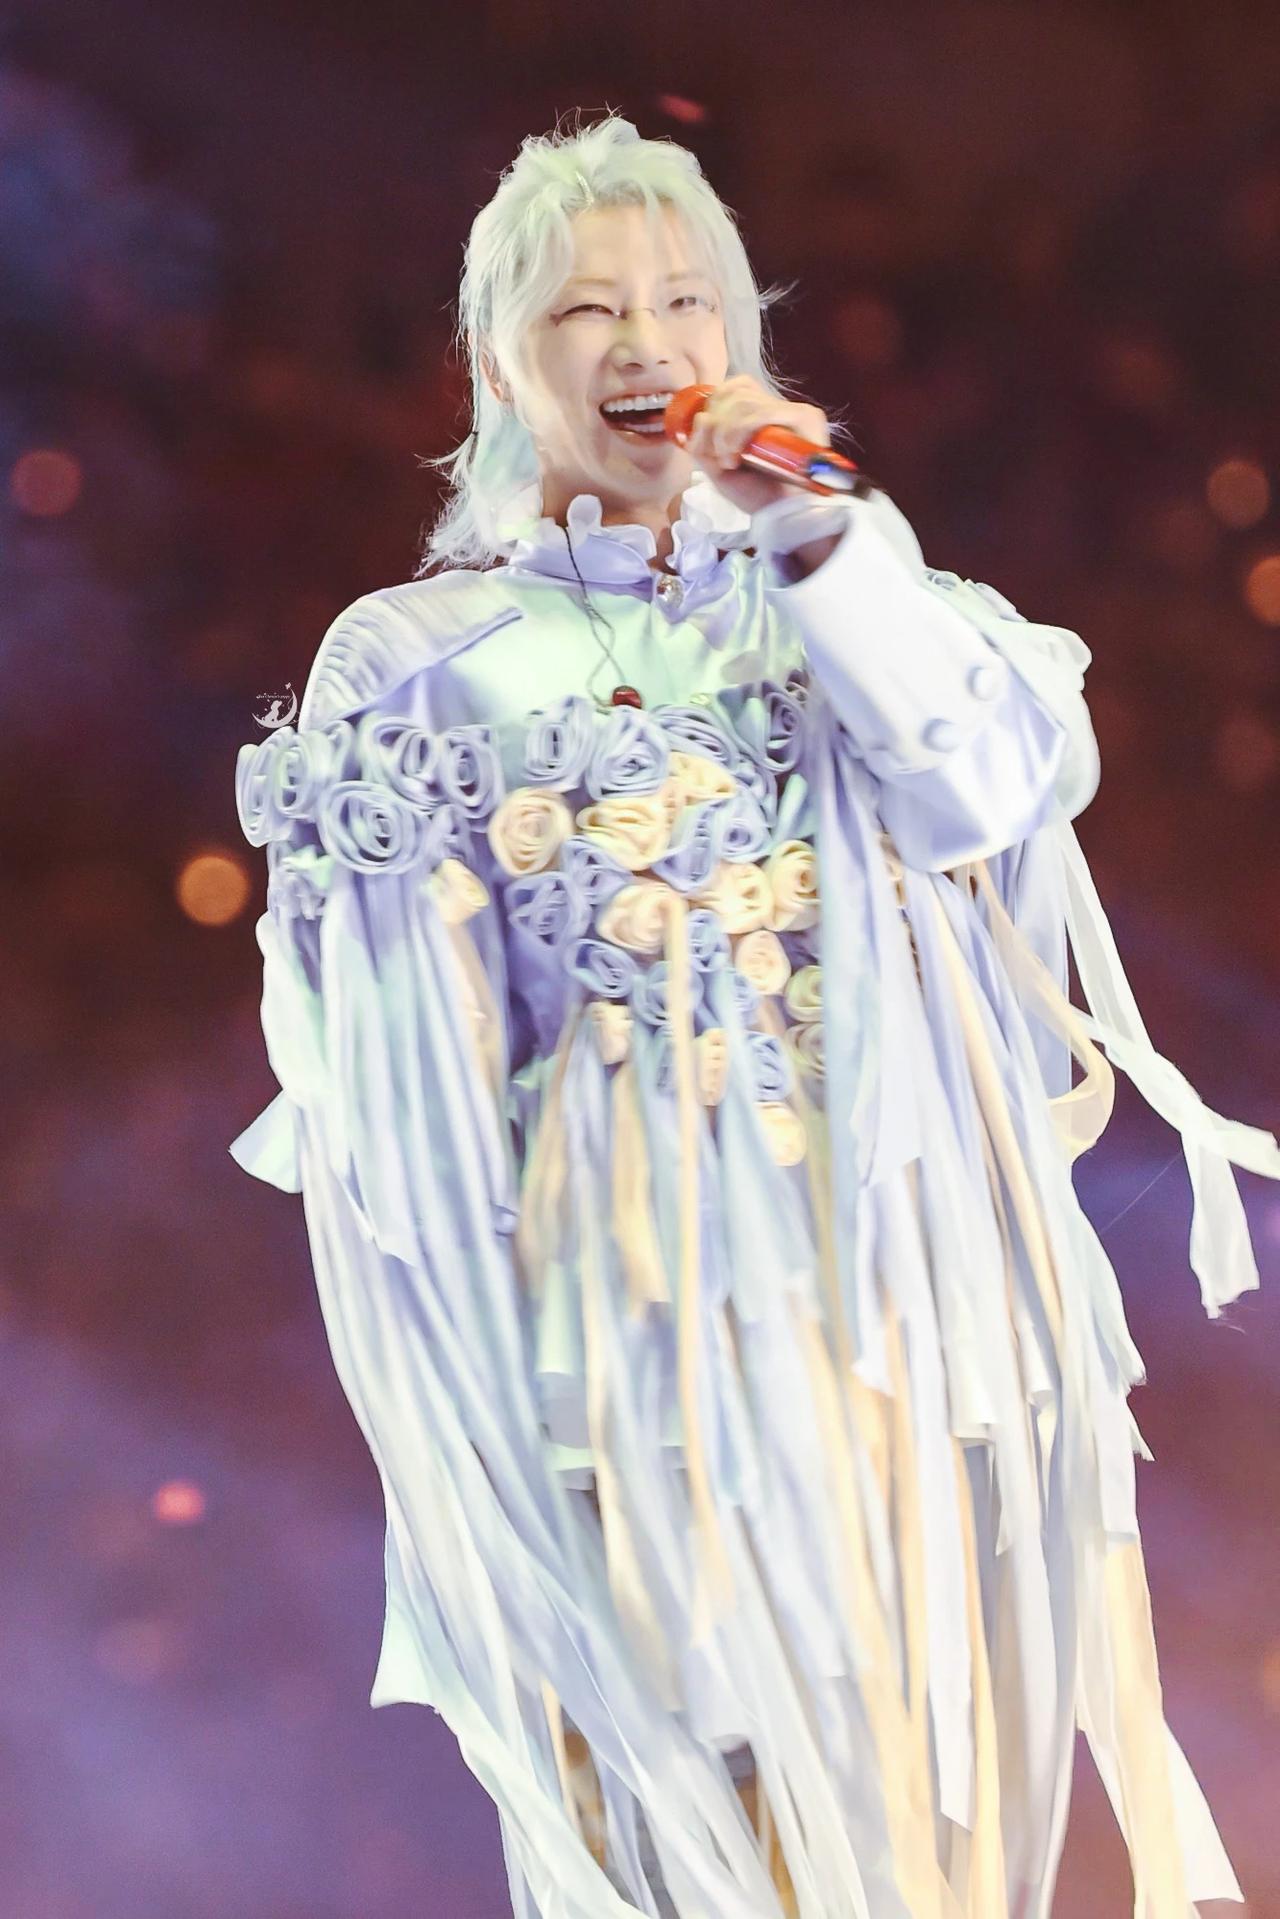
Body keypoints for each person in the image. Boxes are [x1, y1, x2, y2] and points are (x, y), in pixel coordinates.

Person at [229, 112, 1276, 1919]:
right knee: (699, 1852)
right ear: (500, 364)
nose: (645, 341)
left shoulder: (852, 596)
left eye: (686, 300)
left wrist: (812, 525)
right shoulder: (414, 662)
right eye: (586, 311)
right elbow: (393, 1106)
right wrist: (509, 1435)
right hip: (620, 1383)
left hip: (883, 1349)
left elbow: (987, 792)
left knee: (906, 1853)